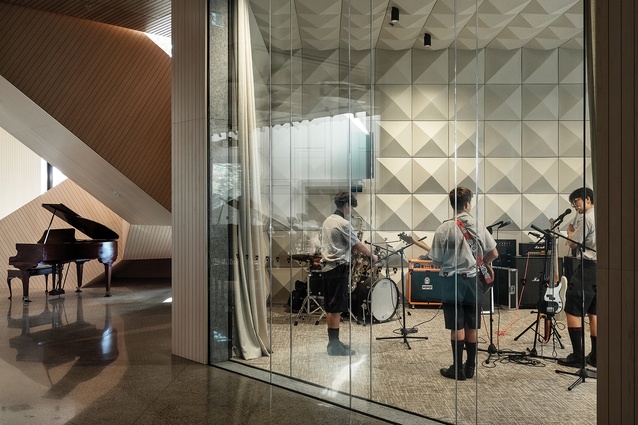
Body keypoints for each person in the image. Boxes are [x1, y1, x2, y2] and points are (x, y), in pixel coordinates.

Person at [429, 186, 498, 380]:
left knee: (456, 326)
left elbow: (435, 260)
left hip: (451, 282)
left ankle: (457, 369)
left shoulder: (443, 228)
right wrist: (483, 262)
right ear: (467, 204)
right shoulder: (478, 226)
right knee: (471, 325)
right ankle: (470, 367)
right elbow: (493, 253)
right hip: (473, 281)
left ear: (453, 205)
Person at [320, 191, 377, 356]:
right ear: (346, 205)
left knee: (331, 307)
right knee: (336, 308)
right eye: (351, 207)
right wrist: (372, 256)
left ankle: (334, 342)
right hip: (339, 268)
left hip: (328, 267)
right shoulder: (344, 223)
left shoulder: (327, 221)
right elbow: (358, 245)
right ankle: (334, 346)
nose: (351, 211)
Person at [558, 187, 597, 368]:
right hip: (601, 269)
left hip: (588, 268)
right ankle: (596, 356)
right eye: (573, 204)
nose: (575, 207)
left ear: (587, 199)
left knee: (572, 308)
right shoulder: (600, 214)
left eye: (576, 202)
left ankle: (578, 356)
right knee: (594, 312)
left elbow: (573, 244)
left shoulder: (587, 218)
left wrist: (570, 232)